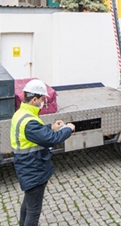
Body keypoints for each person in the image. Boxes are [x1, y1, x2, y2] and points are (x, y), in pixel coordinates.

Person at [10, 79, 74, 226]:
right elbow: (51, 139)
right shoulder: (29, 121)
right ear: (34, 99)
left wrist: (51, 126)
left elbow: (35, 133)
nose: (43, 102)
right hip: (33, 168)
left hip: (27, 167)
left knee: (28, 204)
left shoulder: (21, 114)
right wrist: (68, 129)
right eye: (42, 99)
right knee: (33, 211)